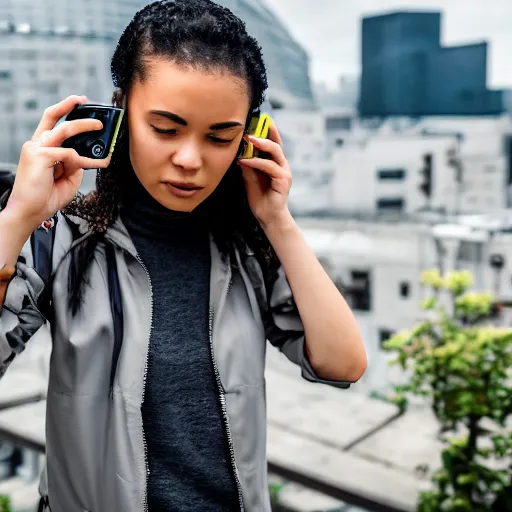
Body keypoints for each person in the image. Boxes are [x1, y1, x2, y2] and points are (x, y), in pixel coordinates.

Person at [0, 1, 367, 511]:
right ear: (122, 113)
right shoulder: (64, 238)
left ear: (249, 139)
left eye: (221, 136)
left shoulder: (246, 249)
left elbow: (342, 362)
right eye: (166, 130)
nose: (191, 160)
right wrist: (18, 216)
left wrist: (277, 219)